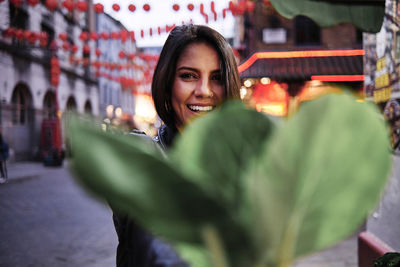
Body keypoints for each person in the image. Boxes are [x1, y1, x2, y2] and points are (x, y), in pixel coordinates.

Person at [112, 24, 241, 267]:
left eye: (216, 77)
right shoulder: (145, 162)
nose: (204, 91)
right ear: (167, 83)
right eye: (188, 75)